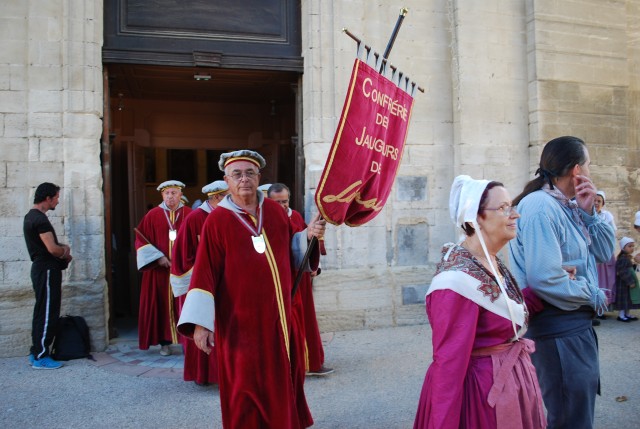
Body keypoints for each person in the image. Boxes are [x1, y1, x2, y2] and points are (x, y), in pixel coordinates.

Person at [177, 150, 326, 429]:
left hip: (279, 318)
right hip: (238, 324)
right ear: (227, 181)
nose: (244, 179)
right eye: (237, 174)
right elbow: (204, 272)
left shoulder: (273, 211)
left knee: (282, 377)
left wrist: (307, 236)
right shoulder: (217, 221)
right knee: (245, 387)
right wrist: (200, 324)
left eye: (250, 173)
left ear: (259, 178)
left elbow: (290, 253)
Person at [414, 175, 545, 429]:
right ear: (476, 217)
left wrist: (552, 286)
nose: (514, 215)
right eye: (504, 208)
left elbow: (504, 312)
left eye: (512, 206)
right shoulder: (455, 282)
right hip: (481, 398)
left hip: (510, 382)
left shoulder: (490, 261)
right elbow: (448, 366)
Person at [508, 136, 615, 429]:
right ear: (577, 169)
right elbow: (545, 279)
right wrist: (592, 292)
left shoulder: (566, 204)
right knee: (570, 418)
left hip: (573, 327)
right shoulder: (541, 206)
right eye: (589, 164)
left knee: (576, 412)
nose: (591, 171)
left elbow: (606, 253)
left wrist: (590, 211)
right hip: (558, 330)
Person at [268, 183, 333, 377]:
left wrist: (314, 264)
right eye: (277, 202)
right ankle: (286, 365)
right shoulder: (265, 220)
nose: (282, 205)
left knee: (306, 320)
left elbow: (308, 240)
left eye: (285, 201)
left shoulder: (295, 216)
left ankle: (310, 362)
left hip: (300, 277)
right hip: (280, 281)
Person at [170, 180, 228, 385]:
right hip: (202, 285)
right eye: (226, 196)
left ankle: (225, 374)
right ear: (216, 198)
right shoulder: (195, 218)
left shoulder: (229, 216)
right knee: (203, 326)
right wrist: (208, 271)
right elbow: (182, 257)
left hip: (225, 285)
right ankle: (204, 376)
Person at [134, 180, 191, 356]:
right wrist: (158, 258)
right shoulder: (153, 215)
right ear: (162, 195)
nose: (170, 196)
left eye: (173, 193)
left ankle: (186, 341)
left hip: (184, 270)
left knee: (185, 304)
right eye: (167, 193)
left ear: (180, 194)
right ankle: (164, 343)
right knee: (161, 304)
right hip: (159, 272)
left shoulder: (190, 214)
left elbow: (200, 239)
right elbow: (140, 239)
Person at [23, 182, 73, 369]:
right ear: (48, 198)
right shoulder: (40, 220)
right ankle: (41, 355)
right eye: (57, 198)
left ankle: (36, 351)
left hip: (41, 269)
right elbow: (52, 249)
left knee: (41, 310)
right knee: (48, 312)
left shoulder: (31, 217)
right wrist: (65, 253)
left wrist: (61, 249)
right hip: (47, 270)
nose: (58, 201)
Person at [594, 190, 617, 316]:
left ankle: (604, 307)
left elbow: (612, 233)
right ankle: (595, 308)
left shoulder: (607, 215)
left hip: (605, 251)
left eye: (599, 201)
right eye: (595, 200)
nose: (596, 203)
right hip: (593, 252)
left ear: (603, 203)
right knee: (595, 280)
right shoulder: (586, 213)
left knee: (607, 280)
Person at [614, 237, 639, 322]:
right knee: (623, 299)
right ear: (623, 247)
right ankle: (621, 315)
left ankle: (627, 314)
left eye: (633, 246)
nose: (632, 248)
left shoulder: (627, 258)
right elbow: (623, 271)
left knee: (628, 299)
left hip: (627, 283)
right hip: (623, 283)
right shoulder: (623, 258)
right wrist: (630, 281)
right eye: (629, 246)